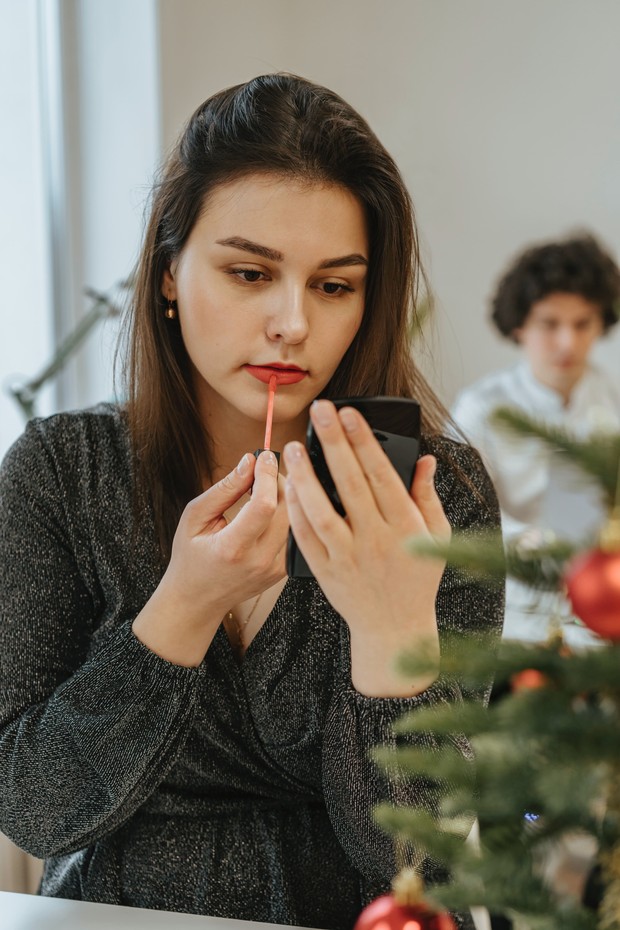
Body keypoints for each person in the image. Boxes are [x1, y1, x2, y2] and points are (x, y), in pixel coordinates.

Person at [0, 74, 502, 930]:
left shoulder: (434, 496)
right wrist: (180, 611)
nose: (291, 324)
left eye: (334, 286)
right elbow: (35, 810)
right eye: (248, 273)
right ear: (167, 275)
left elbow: (430, 869)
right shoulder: (62, 470)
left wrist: (391, 634)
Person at [452, 233, 620, 646]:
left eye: (583, 324)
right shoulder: (480, 410)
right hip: (510, 624)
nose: (568, 342)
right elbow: (466, 519)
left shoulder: (613, 400)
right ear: (519, 325)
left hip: (603, 618)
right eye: (550, 324)